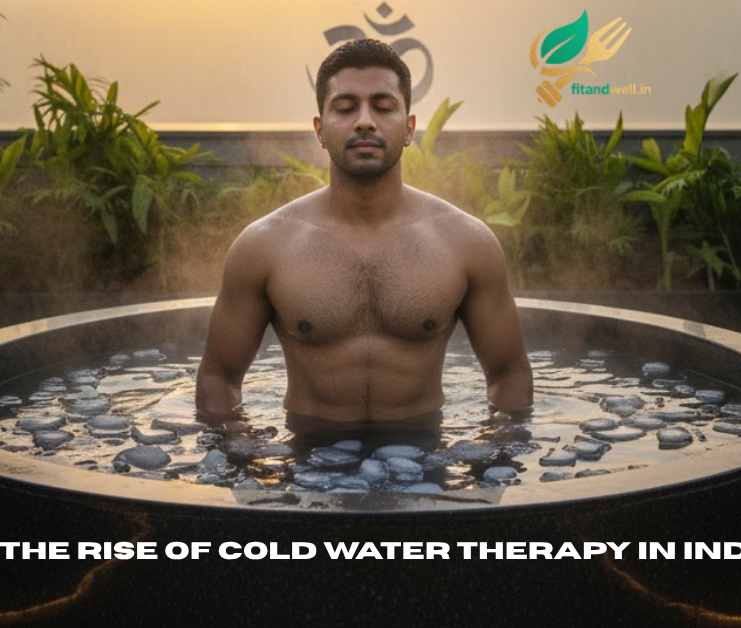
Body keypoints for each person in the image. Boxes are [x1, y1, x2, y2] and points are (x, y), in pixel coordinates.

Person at [195, 39, 532, 432]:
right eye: (345, 107)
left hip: (425, 458)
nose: (365, 121)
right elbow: (218, 379)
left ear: (408, 129)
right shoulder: (266, 246)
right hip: (308, 461)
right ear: (320, 131)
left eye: (383, 106)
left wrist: (491, 464)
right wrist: (246, 463)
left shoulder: (465, 244)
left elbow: (509, 375)